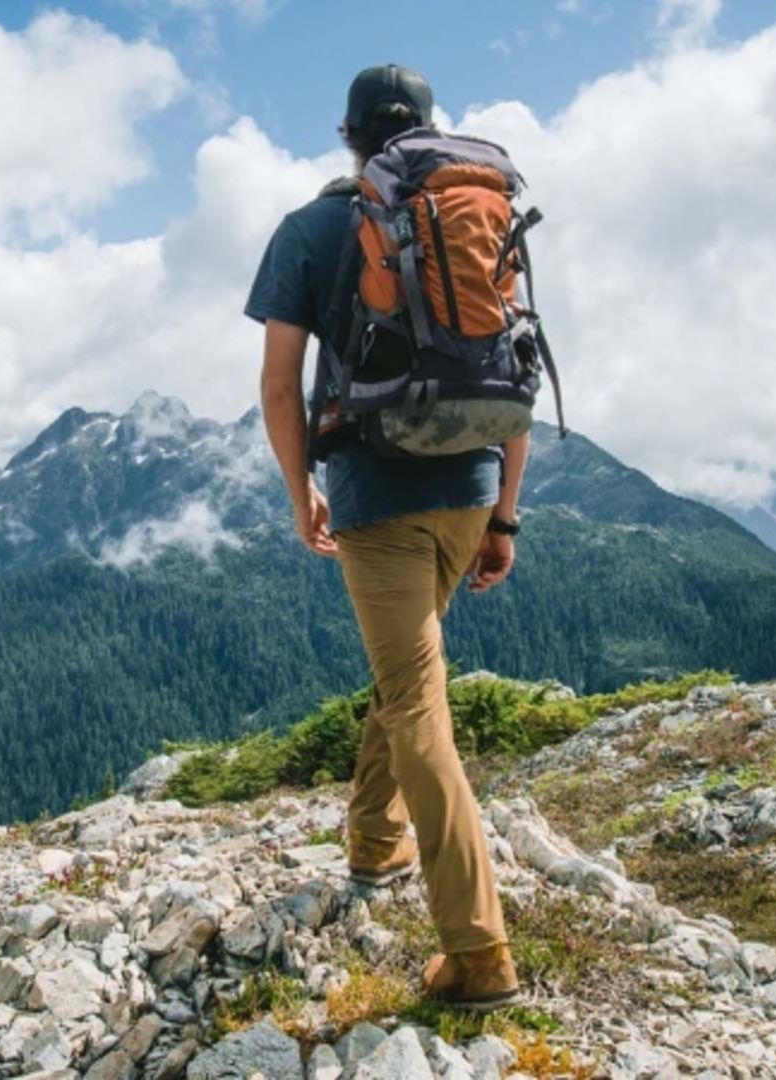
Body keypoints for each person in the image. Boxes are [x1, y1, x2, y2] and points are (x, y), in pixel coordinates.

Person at [244, 63, 528, 1011]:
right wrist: (503, 514)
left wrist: (300, 492)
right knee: (404, 673)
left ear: (348, 133)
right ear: (428, 130)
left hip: (375, 495)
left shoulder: (312, 229)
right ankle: (374, 841)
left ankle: (478, 951)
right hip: (468, 486)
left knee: (415, 703)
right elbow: (511, 370)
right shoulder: (472, 211)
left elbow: (280, 385)